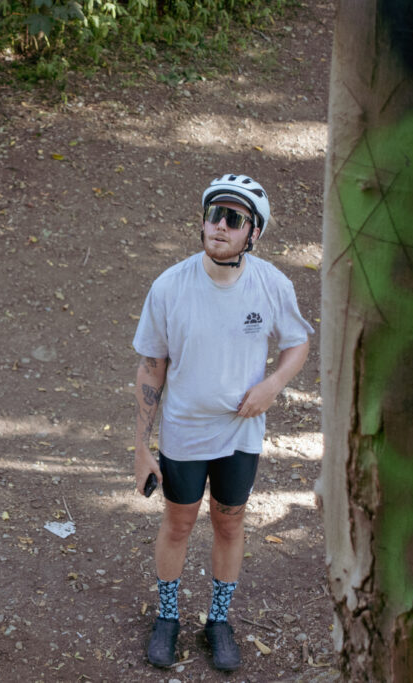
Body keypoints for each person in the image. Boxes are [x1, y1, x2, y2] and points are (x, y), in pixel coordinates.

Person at [132, 174, 312, 672]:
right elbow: (152, 367)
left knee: (230, 523)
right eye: (215, 214)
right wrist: (141, 445)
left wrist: (273, 385)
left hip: (241, 434)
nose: (220, 226)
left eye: (234, 219)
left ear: (253, 234)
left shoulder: (272, 283)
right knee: (179, 521)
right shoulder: (170, 285)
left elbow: (298, 342)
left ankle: (218, 619)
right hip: (184, 430)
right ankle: (167, 616)